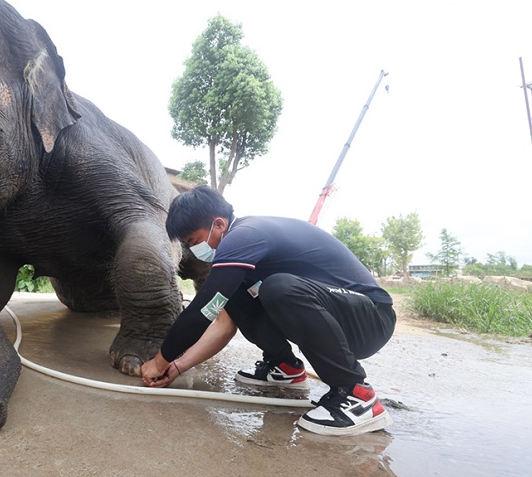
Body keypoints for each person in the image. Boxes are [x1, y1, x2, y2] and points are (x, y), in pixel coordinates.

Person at [141, 185, 396, 436]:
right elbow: (223, 324)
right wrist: (177, 366)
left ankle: (357, 395)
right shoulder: (242, 247)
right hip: (340, 314)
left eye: (194, 241)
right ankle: (286, 367)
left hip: (371, 316)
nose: (195, 249)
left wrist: (159, 361)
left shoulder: (244, 236)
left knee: (279, 288)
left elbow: (203, 310)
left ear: (218, 224)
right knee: (238, 293)